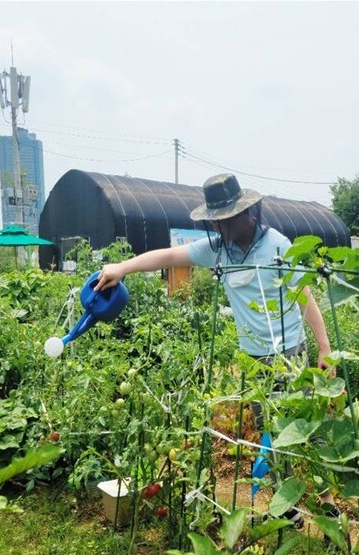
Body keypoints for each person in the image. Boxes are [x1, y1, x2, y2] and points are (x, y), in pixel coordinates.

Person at [95, 173, 338, 524]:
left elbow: (305, 297)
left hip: (291, 353)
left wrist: (324, 347)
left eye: (224, 220)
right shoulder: (216, 250)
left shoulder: (279, 245)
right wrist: (123, 268)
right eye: (215, 221)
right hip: (256, 361)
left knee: (309, 427)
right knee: (269, 434)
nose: (219, 227)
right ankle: (289, 509)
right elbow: (167, 256)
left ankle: (327, 498)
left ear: (247, 214)